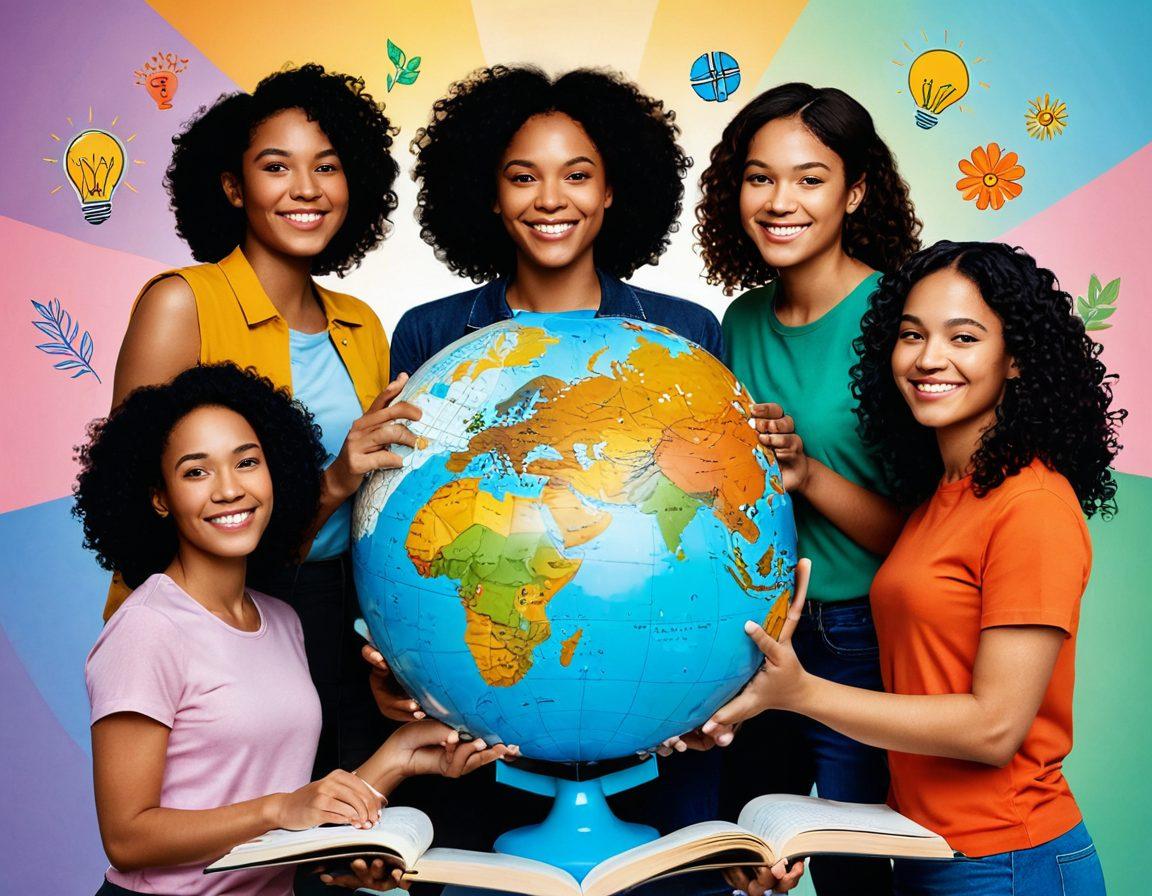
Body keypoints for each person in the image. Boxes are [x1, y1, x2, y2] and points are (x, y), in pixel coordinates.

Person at [372, 64, 737, 893]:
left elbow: (716, 512)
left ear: (613, 190)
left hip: (661, 719)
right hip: (485, 715)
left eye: (576, 175)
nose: (550, 200)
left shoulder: (685, 332)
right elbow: (399, 522)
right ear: (489, 194)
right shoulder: (431, 334)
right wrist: (388, 657)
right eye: (522, 176)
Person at [703, 241, 1121, 895]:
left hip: (1010, 863)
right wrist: (804, 474)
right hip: (925, 849)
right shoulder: (945, 495)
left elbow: (994, 728)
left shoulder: (1032, 505)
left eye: (964, 337)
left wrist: (802, 693)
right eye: (912, 335)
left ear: (1015, 359)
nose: (929, 358)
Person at [76, 364, 514, 896]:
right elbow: (127, 838)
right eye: (196, 472)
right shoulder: (147, 628)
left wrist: (400, 757)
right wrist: (278, 809)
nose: (229, 489)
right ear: (159, 497)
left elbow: (289, 818)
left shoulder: (281, 620)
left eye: (247, 462)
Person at [106, 64, 421, 784]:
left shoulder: (361, 324)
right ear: (232, 187)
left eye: (327, 167)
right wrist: (333, 480)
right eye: (276, 167)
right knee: (255, 828)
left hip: (346, 612)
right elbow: (134, 503)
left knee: (354, 829)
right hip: (222, 615)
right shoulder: (181, 303)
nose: (306, 188)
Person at [694, 82, 922, 893]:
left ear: (855, 192)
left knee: (860, 870)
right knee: (751, 857)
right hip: (757, 633)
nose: (779, 201)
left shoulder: (900, 317)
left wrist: (808, 474)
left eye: (809, 178)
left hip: (863, 636)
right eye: (760, 178)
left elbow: (927, 539)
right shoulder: (739, 321)